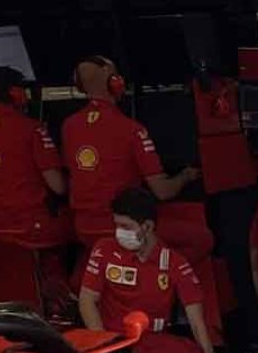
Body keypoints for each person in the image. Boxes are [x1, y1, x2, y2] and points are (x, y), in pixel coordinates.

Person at [78, 187, 218, 353]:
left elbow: (196, 321)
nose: (119, 232)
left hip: (149, 342)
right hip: (111, 341)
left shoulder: (173, 262)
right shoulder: (104, 249)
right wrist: (103, 350)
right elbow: (87, 300)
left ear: (147, 227)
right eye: (117, 225)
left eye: (126, 227)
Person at [61, 56, 199, 248]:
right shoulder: (131, 129)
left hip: (84, 230)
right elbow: (163, 192)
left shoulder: (68, 126)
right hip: (124, 230)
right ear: (115, 83)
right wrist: (186, 176)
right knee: (202, 239)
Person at [0, 65, 71, 314]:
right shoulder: (31, 129)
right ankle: (63, 309)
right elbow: (58, 186)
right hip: (32, 227)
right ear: (14, 93)